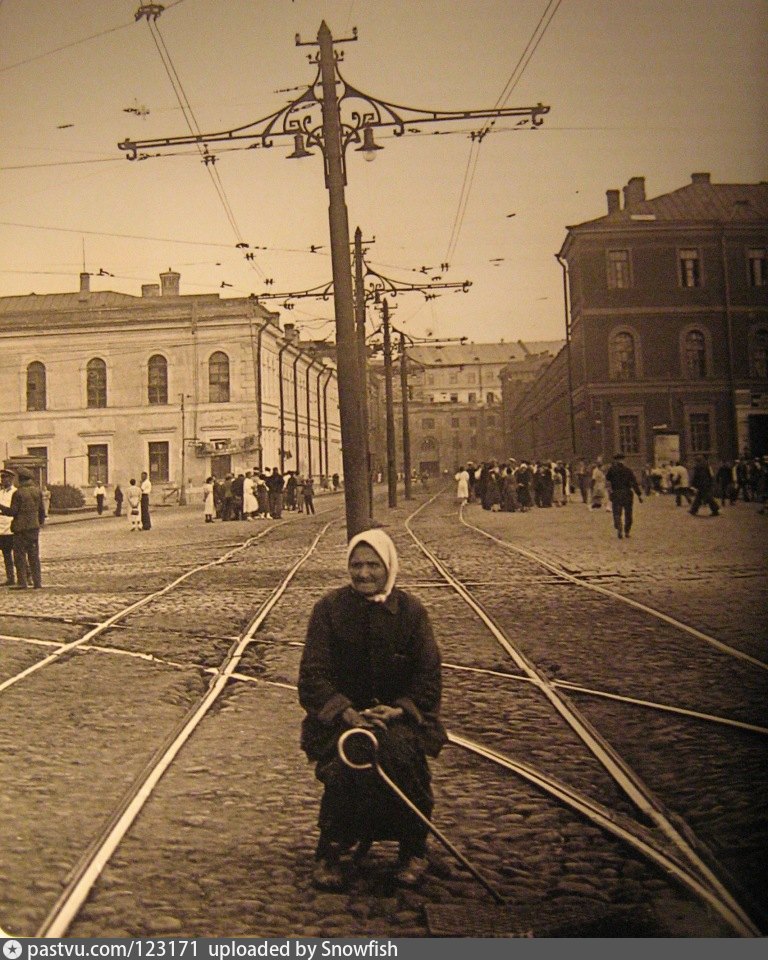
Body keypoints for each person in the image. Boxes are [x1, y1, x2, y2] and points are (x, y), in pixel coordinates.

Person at [298, 528, 447, 892]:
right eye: (356, 565)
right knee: (350, 758)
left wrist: (400, 709)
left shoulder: (411, 612)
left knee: (401, 756)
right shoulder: (329, 610)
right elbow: (312, 675)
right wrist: (345, 711)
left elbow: (428, 674)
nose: (363, 573)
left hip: (397, 718)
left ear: (389, 567)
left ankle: (414, 849)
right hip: (342, 719)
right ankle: (331, 848)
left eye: (373, 565)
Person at [0, 467, 45, 589]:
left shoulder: (18, 493)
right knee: (34, 555)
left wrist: (2, 509)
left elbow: (13, 511)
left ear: (20, 479)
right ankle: (37, 582)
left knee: (19, 555)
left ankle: (22, 582)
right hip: (33, 529)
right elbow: (42, 511)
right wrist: (38, 524)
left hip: (20, 529)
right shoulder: (37, 491)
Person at [605, 453, 643, 539]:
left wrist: (610, 493)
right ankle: (627, 531)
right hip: (627, 493)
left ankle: (619, 526)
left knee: (617, 513)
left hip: (616, 492)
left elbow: (608, 482)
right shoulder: (628, 470)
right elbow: (634, 483)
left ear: (615, 460)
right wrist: (639, 495)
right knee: (628, 513)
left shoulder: (612, 470)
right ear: (623, 460)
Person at [0, 469, 17, 586]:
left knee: (18, 554)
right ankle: (10, 577)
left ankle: (26, 576)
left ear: (11, 479)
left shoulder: (16, 492)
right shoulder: (0, 493)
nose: (3, 480)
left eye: (5, 478)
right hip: (1, 528)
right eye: (2, 478)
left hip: (12, 528)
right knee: (6, 555)